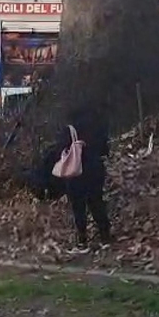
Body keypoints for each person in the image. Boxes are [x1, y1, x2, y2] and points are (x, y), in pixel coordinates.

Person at [57, 104, 112, 253]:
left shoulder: (70, 129)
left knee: (78, 207)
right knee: (97, 202)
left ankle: (82, 240)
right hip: (95, 170)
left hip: (76, 172)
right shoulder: (98, 127)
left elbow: (61, 148)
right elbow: (105, 150)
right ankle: (105, 236)